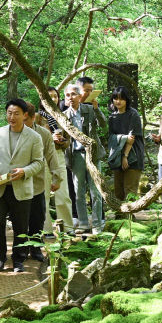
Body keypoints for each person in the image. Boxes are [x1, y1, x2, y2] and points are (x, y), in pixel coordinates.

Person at [0, 99, 44, 272]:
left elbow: (38, 162)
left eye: (16, 113)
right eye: (9, 113)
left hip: (21, 187)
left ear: (25, 115)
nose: (12, 117)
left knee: (21, 225)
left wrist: (25, 171)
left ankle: (19, 259)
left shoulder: (34, 137)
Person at [64, 84, 106, 234]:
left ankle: (96, 224)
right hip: (75, 156)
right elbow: (63, 138)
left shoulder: (89, 109)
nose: (71, 98)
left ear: (80, 96)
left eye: (73, 94)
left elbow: (103, 124)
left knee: (96, 191)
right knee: (78, 191)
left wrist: (97, 109)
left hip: (92, 155)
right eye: (68, 95)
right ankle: (82, 222)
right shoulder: (63, 116)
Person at [24, 101, 62, 262]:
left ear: (34, 118)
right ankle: (21, 248)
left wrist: (57, 177)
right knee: (20, 216)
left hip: (38, 180)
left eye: (26, 119)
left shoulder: (43, 134)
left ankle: (36, 246)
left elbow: (52, 157)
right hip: (18, 181)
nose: (22, 122)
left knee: (38, 215)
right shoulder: (9, 132)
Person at [37, 88, 73, 235]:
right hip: (42, 157)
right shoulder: (37, 117)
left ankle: (67, 228)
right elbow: (34, 138)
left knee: (63, 193)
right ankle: (45, 229)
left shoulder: (62, 116)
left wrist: (61, 141)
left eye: (55, 96)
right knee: (43, 193)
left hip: (58, 155)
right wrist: (49, 138)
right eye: (49, 96)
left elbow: (68, 140)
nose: (53, 99)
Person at [108, 86, 144, 201]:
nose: (118, 101)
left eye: (121, 99)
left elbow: (131, 139)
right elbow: (111, 136)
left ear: (127, 100)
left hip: (133, 155)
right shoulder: (112, 116)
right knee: (118, 190)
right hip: (117, 155)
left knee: (130, 190)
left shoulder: (133, 114)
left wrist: (125, 156)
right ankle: (119, 217)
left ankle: (129, 217)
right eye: (115, 98)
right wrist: (123, 140)